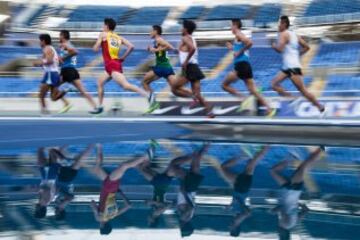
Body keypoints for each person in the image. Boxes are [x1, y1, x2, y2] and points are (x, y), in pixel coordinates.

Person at [91, 18, 151, 114]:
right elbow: (131, 46)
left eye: (103, 25)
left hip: (111, 64)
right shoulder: (119, 37)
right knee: (100, 82)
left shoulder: (103, 34)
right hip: (113, 64)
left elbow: (95, 48)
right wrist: (123, 58)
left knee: (125, 85)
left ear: (107, 26)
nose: (102, 27)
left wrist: (96, 45)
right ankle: (100, 106)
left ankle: (148, 95)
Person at [271, 16, 325, 116]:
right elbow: (307, 47)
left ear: (284, 24)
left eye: (279, 23)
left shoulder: (284, 34)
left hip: (292, 67)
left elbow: (280, 49)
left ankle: (320, 107)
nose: (278, 26)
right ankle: (291, 98)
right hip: (287, 67)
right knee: (274, 83)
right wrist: (297, 54)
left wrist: (273, 45)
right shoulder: (295, 35)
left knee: (303, 91)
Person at [90, 144, 150, 235]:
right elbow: (92, 203)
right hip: (107, 188)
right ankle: (145, 157)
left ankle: (99, 147)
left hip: (113, 189)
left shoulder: (113, 215)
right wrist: (95, 209)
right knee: (123, 166)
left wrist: (121, 193)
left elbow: (128, 205)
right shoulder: (99, 218)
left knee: (97, 168)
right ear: (101, 226)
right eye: (100, 227)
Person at [222, 19, 276, 117]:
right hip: (244, 65)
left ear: (235, 25)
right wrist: (231, 48)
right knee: (253, 90)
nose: (230, 28)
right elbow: (237, 52)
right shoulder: (237, 36)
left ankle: (244, 99)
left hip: (241, 66)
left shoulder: (239, 34)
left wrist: (240, 52)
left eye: (231, 25)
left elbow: (249, 43)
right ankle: (269, 108)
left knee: (224, 85)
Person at [270, 147, 324, 240]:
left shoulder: (293, 223)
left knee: (275, 171)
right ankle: (321, 150)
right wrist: (274, 211)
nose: (278, 233)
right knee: (303, 167)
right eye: (279, 235)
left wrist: (298, 204)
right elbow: (281, 209)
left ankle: (291, 157)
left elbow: (306, 210)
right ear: (283, 235)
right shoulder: (284, 224)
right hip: (290, 190)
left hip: (292, 191)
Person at [219, 146, 269, 237]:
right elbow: (247, 212)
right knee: (223, 167)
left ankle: (266, 147)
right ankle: (245, 155)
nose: (228, 227)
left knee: (251, 164)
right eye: (230, 229)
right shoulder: (237, 221)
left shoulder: (236, 219)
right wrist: (239, 202)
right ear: (234, 229)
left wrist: (230, 206)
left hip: (243, 189)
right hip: (240, 188)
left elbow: (240, 208)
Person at [143, 25, 193, 114]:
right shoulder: (157, 41)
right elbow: (165, 49)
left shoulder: (159, 39)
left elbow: (168, 46)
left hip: (161, 66)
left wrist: (155, 50)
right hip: (166, 66)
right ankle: (195, 96)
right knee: (175, 89)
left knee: (145, 82)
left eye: (151, 31)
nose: (149, 33)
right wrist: (153, 49)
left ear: (156, 31)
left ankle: (153, 104)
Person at [172, 20, 214, 117]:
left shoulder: (185, 38)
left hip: (189, 67)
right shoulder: (192, 38)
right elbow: (185, 51)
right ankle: (209, 111)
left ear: (186, 29)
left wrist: (186, 61)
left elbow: (192, 49)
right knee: (198, 94)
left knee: (174, 88)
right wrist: (175, 50)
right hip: (194, 67)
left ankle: (192, 97)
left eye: (182, 27)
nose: (181, 29)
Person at [58, 30, 98, 113]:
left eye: (60, 35)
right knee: (83, 91)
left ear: (63, 36)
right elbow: (69, 54)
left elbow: (75, 52)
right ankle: (96, 107)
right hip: (71, 70)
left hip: (67, 70)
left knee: (53, 86)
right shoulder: (65, 45)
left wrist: (63, 58)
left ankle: (67, 101)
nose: (59, 37)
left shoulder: (66, 44)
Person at [33, 34, 71, 114]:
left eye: (40, 41)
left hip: (50, 74)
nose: (39, 43)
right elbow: (59, 61)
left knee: (41, 95)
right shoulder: (52, 49)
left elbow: (50, 61)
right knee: (53, 98)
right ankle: (65, 89)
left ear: (43, 41)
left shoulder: (47, 48)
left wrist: (39, 63)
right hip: (53, 73)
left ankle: (44, 111)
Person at [54, 145, 93, 220]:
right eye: (56, 215)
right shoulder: (61, 205)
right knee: (63, 154)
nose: (54, 213)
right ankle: (90, 146)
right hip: (64, 178)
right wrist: (59, 191)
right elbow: (71, 197)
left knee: (79, 160)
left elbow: (68, 196)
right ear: (59, 213)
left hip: (67, 179)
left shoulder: (59, 205)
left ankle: (91, 146)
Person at [34, 147, 61, 218]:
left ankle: (53, 148)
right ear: (39, 210)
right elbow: (47, 190)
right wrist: (38, 188)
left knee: (49, 157)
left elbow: (56, 190)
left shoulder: (47, 202)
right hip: (48, 177)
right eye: (36, 210)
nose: (35, 209)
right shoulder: (44, 202)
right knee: (41, 155)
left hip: (50, 178)